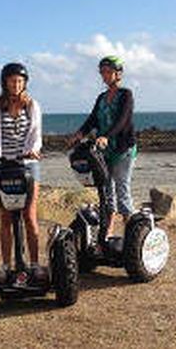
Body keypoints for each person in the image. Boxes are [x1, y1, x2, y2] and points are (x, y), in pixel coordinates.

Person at [0, 63, 43, 285]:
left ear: (24, 83)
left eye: (19, 81)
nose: (15, 84)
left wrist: (33, 150)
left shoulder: (32, 105)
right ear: (5, 82)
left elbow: (36, 134)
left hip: (27, 165)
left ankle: (34, 265)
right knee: (6, 217)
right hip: (3, 165)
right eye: (11, 81)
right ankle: (6, 267)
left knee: (29, 215)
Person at [69, 55, 137, 239]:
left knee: (122, 189)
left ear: (118, 74)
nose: (105, 75)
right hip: (104, 151)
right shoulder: (101, 98)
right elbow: (93, 119)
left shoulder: (126, 94)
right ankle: (108, 231)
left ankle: (131, 234)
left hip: (123, 150)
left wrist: (106, 136)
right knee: (107, 190)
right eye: (102, 72)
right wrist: (80, 133)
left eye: (108, 72)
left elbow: (123, 120)